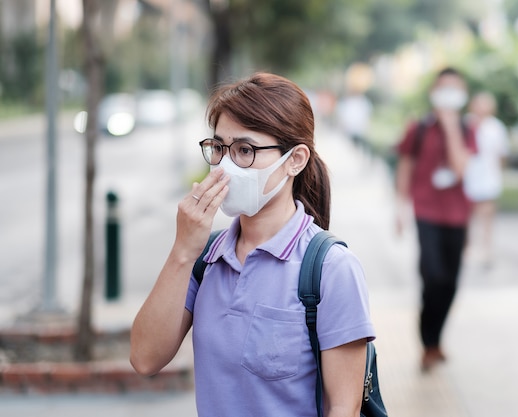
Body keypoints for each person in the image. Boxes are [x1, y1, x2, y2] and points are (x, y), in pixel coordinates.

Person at [130, 73, 376, 417]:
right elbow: (145, 358)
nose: (226, 165)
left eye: (245, 150)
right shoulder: (205, 259)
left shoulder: (331, 269)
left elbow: (343, 407)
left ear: (295, 159)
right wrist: (182, 251)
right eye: (218, 148)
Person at [394, 67, 476, 372]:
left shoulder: (468, 129)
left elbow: (461, 170)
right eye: (444, 87)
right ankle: (427, 343)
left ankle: (437, 340)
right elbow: (405, 167)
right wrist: (400, 209)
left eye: (455, 88)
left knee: (451, 282)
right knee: (432, 276)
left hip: (457, 215)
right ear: (434, 92)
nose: (449, 93)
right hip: (426, 211)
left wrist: (452, 127)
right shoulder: (419, 129)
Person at [464, 91, 509, 267]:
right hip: (469, 177)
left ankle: (486, 248)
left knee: (487, 215)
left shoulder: (496, 127)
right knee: (467, 215)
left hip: (489, 178)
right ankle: (467, 248)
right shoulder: (466, 124)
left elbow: (501, 155)